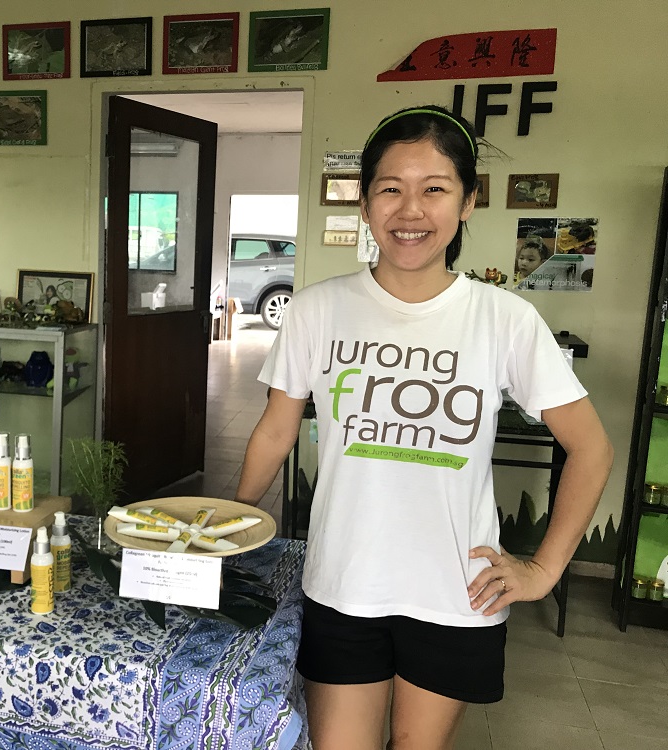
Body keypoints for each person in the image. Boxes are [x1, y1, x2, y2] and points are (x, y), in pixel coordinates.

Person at [234, 105, 613, 750]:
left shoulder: (504, 319)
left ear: (467, 203)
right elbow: (276, 430)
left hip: (458, 595)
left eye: (434, 188)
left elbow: (591, 447)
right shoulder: (315, 310)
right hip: (344, 585)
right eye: (391, 188)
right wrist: (227, 529)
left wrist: (544, 569)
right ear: (365, 203)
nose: (410, 210)